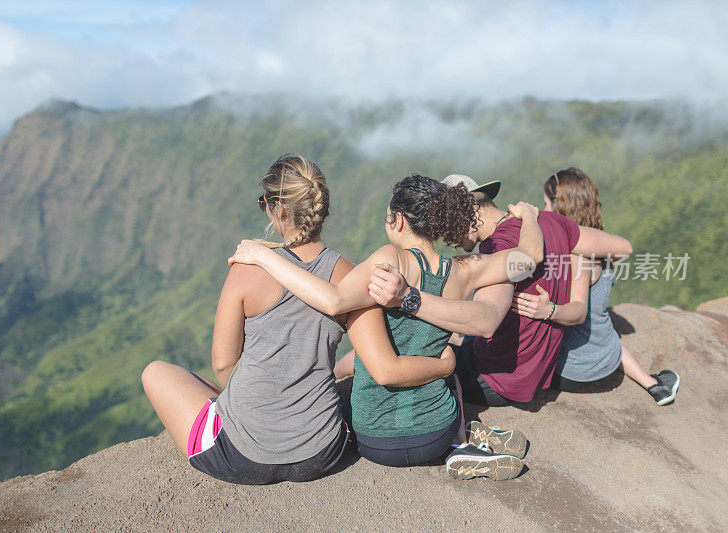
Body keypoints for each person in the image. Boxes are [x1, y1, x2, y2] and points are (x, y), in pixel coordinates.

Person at [142, 155, 457, 485]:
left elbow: (223, 364)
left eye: (264, 202)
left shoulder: (247, 270)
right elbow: (382, 364)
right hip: (323, 452)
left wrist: (262, 412)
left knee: (155, 372)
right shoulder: (351, 277)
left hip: (243, 455)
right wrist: (444, 364)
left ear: (277, 209)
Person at [230, 174, 543, 480]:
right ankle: (461, 442)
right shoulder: (467, 270)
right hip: (436, 434)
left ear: (400, 221)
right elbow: (530, 257)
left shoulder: (391, 259)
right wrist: (529, 217)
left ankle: (466, 439)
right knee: (448, 358)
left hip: (375, 441)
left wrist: (265, 256)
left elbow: (335, 300)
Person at [365, 173, 635, 408]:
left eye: (449, 222)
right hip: (541, 370)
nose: (448, 236)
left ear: (469, 210)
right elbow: (622, 248)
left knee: (421, 351)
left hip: (498, 379)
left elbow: (486, 321)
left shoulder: (497, 248)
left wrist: (408, 297)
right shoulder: (551, 221)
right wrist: (585, 275)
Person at [510, 167, 680, 405]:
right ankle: (653, 385)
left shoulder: (573, 257)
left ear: (562, 207)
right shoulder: (599, 247)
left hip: (569, 372)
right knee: (604, 327)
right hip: (607, 360)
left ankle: (653, 384)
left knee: (597, 324)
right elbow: (622, 252)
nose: (545, 210)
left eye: (548, 203)